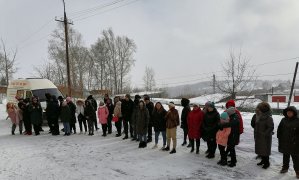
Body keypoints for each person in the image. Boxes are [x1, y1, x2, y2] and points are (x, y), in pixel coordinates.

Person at [277, 106, 299, 178]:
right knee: (285, 156)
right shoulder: (283, 120)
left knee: (295, 158)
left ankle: (298, 171)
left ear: (294, 113)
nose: (289, 113)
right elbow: (279, 129)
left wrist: (296, 140)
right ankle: (285, 168)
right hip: (285, 142)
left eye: (290, 112)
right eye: (288, 112)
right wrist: (279, 137)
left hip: (295, 143)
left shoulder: (298, 121)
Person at [254, 102, 274, 169]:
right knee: (261, 150)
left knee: (265, 151)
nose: (258, 110)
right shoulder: (258, 116)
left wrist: (265, 134)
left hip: (265, 137)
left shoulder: (269, 118)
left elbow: (271, 127)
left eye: (259, 109)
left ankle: (267, 163)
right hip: (259, 136)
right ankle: (263, 161)